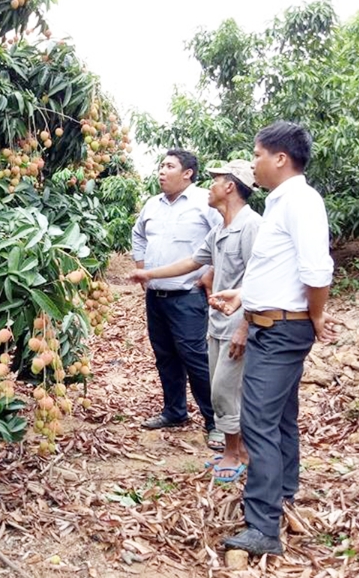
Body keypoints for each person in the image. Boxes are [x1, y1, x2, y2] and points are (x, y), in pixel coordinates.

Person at [210, 122, 337, 556]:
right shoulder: (282, 203)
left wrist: (316, 315)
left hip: (283, 329)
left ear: (280, 158)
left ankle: (263, 527)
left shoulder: (300, 201)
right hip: (269, 324)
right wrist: (244, 297)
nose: (253, 163)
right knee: (279, 415)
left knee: (257, 422)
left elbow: (317, 271)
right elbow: (275, 270)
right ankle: (283, 490)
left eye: (257, 154)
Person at [129, 159, 261, 481]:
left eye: (216, 181)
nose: (210, 186)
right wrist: (148, 272)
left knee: (223, 385)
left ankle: (233, 447)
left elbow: (261, 278)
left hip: (235, 317)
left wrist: (246, 325)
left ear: (229, 186)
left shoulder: (251, 226)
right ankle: (233, 449)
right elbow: (191, 261)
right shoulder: (221, 229)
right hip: (217, 317)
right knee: (217, 383)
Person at [131, 149, 223, 448]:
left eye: (169, 166)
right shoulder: (152, 205)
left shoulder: (204, 202)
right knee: (165, 356)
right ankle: (175, 411)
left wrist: (210, 271)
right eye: (161, 165)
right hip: (156, 296)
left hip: (188, 295)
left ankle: (216, 422)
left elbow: (222, 236)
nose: (161, 171)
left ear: (188, 173)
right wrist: (142, 266)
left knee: (195, 358)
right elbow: (138, 234)